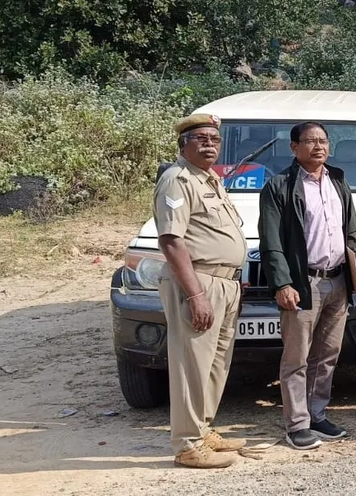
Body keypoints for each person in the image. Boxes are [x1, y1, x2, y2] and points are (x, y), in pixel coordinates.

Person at [259, 122, 356, 449]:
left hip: (337, 282)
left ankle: (317, 415)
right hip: (303, 285)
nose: (318, 147)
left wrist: (354, 260)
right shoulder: (280, 187)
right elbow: (271, 241)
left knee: (327, 355)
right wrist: (282, 283)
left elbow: (351, 231)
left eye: (323, 141)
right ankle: (297, 424)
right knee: (297, 358)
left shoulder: (338, 181)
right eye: (310, 141)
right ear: (294, 147)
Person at [154, 113, 248, 469]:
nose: (210, 144)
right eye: (201, 139)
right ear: (184, 144)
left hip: (224, 282)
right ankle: (187, 445)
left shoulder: (209, 180)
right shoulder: (177, 180)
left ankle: (203, 428)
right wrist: (195, 295)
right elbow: (172, 242)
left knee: (215, 364)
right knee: (191, 364)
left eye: (214, 139)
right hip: (199, 282)